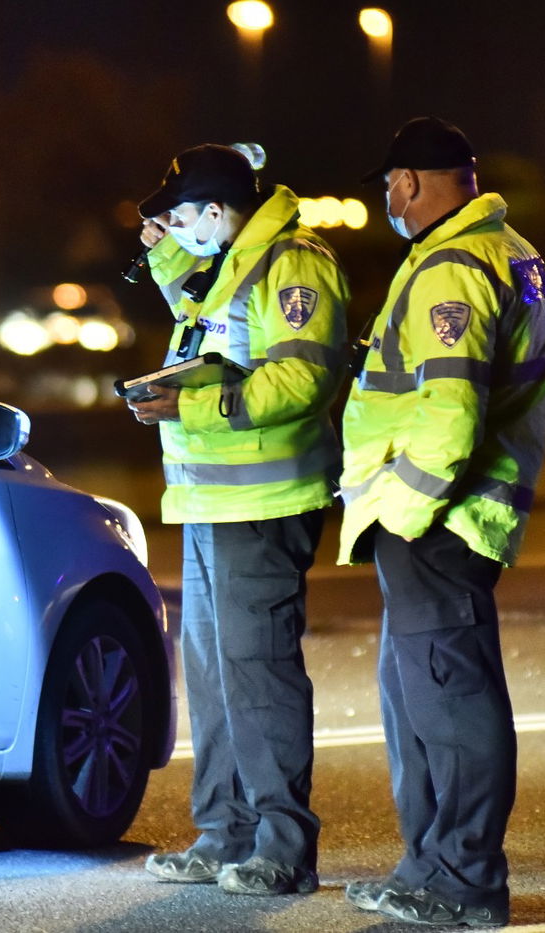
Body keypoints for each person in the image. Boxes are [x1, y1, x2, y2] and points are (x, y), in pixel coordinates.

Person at [340, 117, 545, 928]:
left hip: (438, 517)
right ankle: (428, 865)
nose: (388, 200)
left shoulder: (451, 265)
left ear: (406, 183)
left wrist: (406, 508)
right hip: (454, 511)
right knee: (415, 694)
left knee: (450, 700)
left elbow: (451, 409)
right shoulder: (510, 252)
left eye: (388, 187)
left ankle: (465, 879)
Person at [128, 144, 348, 896]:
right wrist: (164, 258)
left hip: (265, 500)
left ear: (218, 209)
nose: (178, 228)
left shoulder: (294, 262)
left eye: (183, 215)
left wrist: (190, 403)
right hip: (210, 500)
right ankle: (225, 833)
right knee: (216, 677)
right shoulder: (232, 259)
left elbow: (303, 374)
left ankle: (283, 847)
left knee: (259, 677)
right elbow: (202, 322)